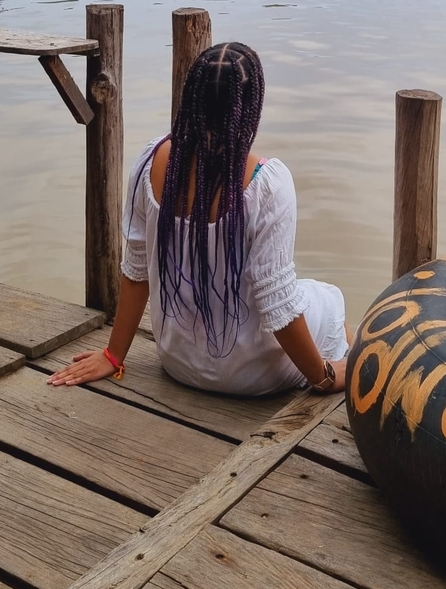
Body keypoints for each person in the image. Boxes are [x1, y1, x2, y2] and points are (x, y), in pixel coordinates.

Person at [48, 42, 350, 395]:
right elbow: (278, 306)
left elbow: (136, 269)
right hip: (253, 377)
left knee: (308, 297)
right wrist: (324, 377)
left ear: (190, 98)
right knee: (329, 298)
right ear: (250, 108)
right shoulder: (267, 183)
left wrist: (114, 355)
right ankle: (350, 364)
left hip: (176, 360)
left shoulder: (152, 161)